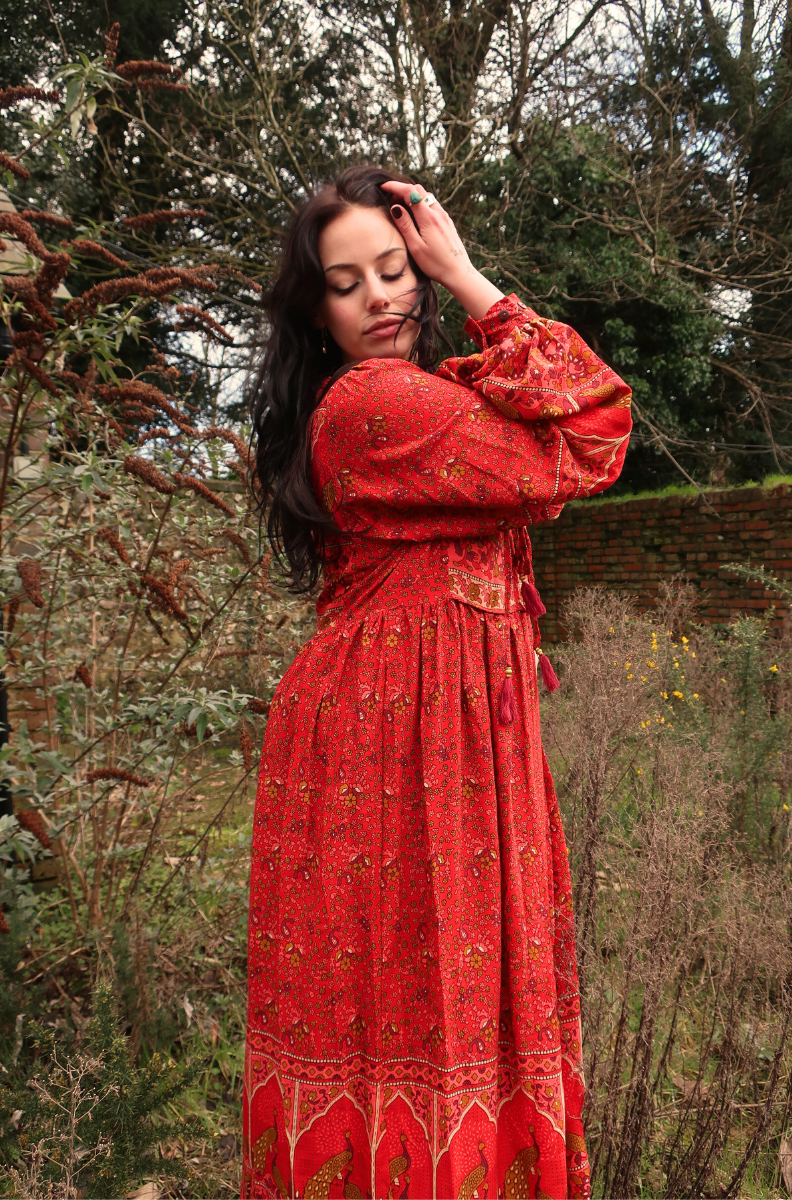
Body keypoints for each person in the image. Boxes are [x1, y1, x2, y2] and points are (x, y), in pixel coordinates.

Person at [242, 165, 632, 1200]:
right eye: (345, 281)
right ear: (314, 311)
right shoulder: (374, 405)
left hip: (446, 735)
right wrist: (476, 287)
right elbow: (587, 439)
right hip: (395, 743)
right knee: (415, 1011)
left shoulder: (435, 398)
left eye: (395, 266)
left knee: (431, 1014)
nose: (381, 295)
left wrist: (451, 270)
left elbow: (563, 422)